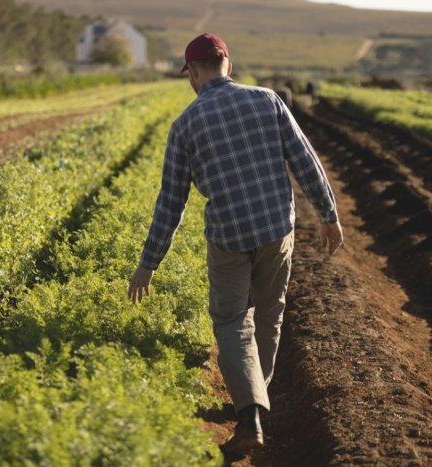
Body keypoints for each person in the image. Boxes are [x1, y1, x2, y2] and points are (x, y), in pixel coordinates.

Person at [127, 33, 343, 454]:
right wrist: (328, 214)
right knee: (270, 314)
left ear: (191, 71)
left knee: (230, 321)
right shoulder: (267, 100)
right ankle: (256, 402)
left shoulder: (185, 125)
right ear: (228, 61)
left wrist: (147, 264)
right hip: (276, 229)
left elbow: (171, 203)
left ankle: (249, 414)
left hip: (228, 236)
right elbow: (304, 159)